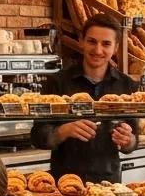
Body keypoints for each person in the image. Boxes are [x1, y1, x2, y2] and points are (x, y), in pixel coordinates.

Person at [30, 13, 138, 182]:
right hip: (64, 185)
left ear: (116, 47)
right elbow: (37, 136)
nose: (98, 50)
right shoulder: (57, 82)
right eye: (92, 41)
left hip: (109, 186)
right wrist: (63, 131)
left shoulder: (127, 86)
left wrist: (127, 140)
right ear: (82, 41)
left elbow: (133, 141)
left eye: (106, 44)